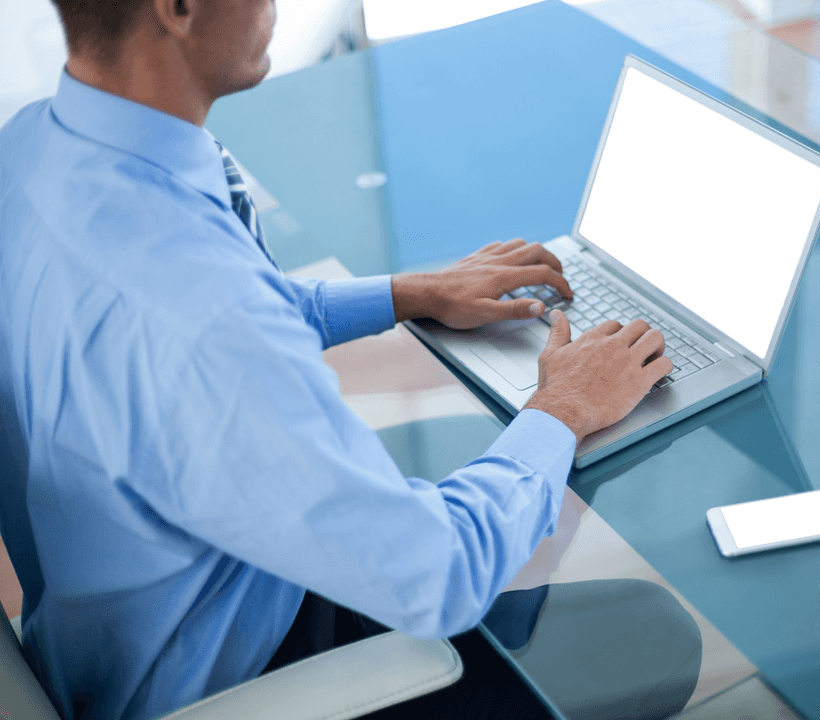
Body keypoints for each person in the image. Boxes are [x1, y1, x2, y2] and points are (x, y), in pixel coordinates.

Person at [0, 1, 674, 719]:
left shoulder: (29, 152)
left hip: (111, 622)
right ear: (177, 7)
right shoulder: (201, 319)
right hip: (242, 678)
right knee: (653, 636)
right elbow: (441, 573)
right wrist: (563, 408)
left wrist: (410, 292)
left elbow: (195, 329)